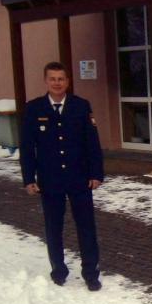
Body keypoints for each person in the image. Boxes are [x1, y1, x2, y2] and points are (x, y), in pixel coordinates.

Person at [20, 61, 105, 291]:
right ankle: (58, 270)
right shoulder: (34, 109)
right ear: (46, 81)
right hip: (50, 180)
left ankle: (91, 273)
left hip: (79, 178)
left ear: (67, 81)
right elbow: (27, 147)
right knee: (53, 227)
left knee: (86, 227)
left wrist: (96, 173)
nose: (57, 83)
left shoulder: (81, 106)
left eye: (61, 79)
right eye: (53, 79)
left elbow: (92, 144)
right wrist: (29, 178)